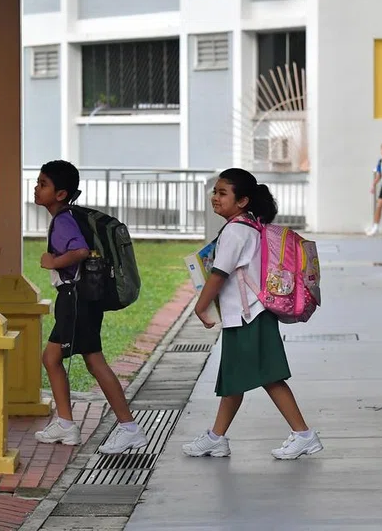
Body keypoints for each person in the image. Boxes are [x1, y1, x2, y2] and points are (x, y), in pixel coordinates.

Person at [182, 168, 323, 460]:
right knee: (235, 379)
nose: (215, 198)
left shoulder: (235, 230)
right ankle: (216, 437)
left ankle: (304, 434)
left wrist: (200, 306)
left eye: (223, 193)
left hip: (249, 317)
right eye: (215, 192)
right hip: (249, 315)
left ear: (243, 200)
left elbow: (219, 275)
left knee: (268, 377)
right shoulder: (248, 226)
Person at [33, 160, 149, 455]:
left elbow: (80, 251)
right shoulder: (67, 216)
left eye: (43, 184)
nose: (36, 188)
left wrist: (53, 262)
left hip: (76, 300)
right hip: (77, 299)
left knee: (94, 362)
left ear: (61, 194)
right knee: (51, 357)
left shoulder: (63, 220)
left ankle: (129, 428)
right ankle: (66, 423)